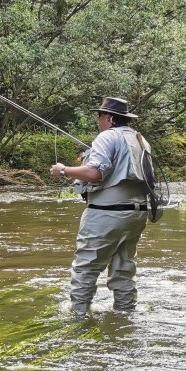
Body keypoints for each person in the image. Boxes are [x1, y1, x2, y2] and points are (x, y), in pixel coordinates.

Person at [48, 97, 152, 319]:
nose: (99, 120)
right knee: (124, 267)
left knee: (86, 266)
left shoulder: (107, 136)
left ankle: (79, 316)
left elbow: (95, 174)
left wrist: (64, 170)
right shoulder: (140, 139)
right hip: (137, 214)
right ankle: (124, 315)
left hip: (106, 213)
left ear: (110, 118)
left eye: (100, 116)